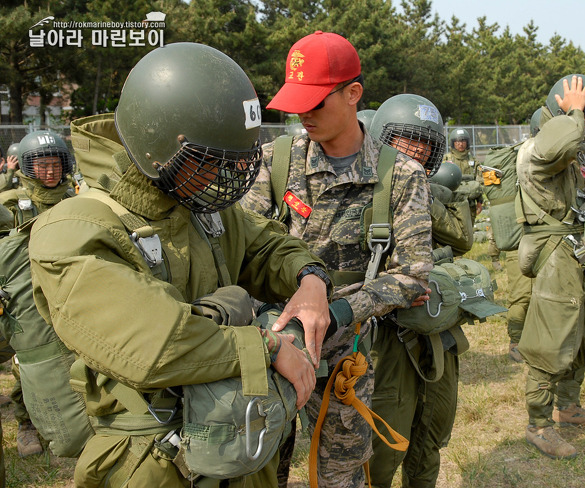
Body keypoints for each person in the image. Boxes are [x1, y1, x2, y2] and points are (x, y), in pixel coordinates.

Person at [29, 42, 328, 487]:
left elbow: (264, 244)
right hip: (152, 459)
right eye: (211, 162)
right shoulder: (73, 232)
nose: (223, 179)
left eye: (236, 162)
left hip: (237, 442)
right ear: (159, 149)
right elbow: (157, 344)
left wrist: (310, 279)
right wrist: (268, 347)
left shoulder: (194, 198)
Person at [240, 32, 432, 488]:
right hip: (273, 344)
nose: (303, 115)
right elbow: (244, 247)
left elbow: (413, 274)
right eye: (296, 103)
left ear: (353, 94)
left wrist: (340, 311)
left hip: (348, 352)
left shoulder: (399, 175)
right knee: (260, 468)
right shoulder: (275, 161)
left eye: (316, 102)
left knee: (341, 474)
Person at [516, 74, 585, 459]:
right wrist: (576, 111)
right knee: (553, 338)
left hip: (580, 246)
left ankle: (570, 406)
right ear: (561, 111)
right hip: (554, 248)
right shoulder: (538, 147)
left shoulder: (576, 148)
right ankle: (539, 425)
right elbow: (554, 146)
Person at [367, 93, 470, 488]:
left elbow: (461, 239)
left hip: (433, 331)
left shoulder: (424, 192)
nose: (416, 153)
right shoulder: (366, 191)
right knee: (380, 445)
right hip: (384, 339)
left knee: (432, 430)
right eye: (405, 143)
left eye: (425, 145)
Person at [0, 129, 77, 457]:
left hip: (71, 294)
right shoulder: (10, 205)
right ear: (27, 168)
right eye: (42, 165)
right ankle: (27, 422)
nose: (50, 171)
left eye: (55, 164)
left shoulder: (76, 201)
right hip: (29, 301)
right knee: (30, 364)